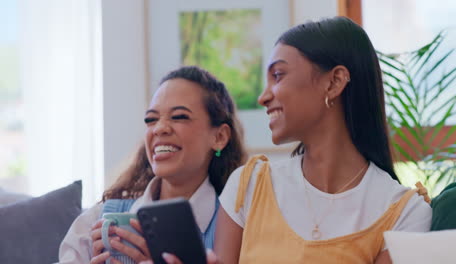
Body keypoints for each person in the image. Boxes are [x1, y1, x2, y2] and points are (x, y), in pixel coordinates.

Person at [162, 16, 432, 264]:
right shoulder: (249, 186)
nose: (263, 97)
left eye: (278, 75)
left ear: (334, 82)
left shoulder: (405, 213)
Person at [58, 66, 247, 264]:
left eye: (179, 116)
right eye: (151, 119)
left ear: (219, 137)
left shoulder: (241, 224)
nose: (159, 128)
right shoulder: (98, 220)